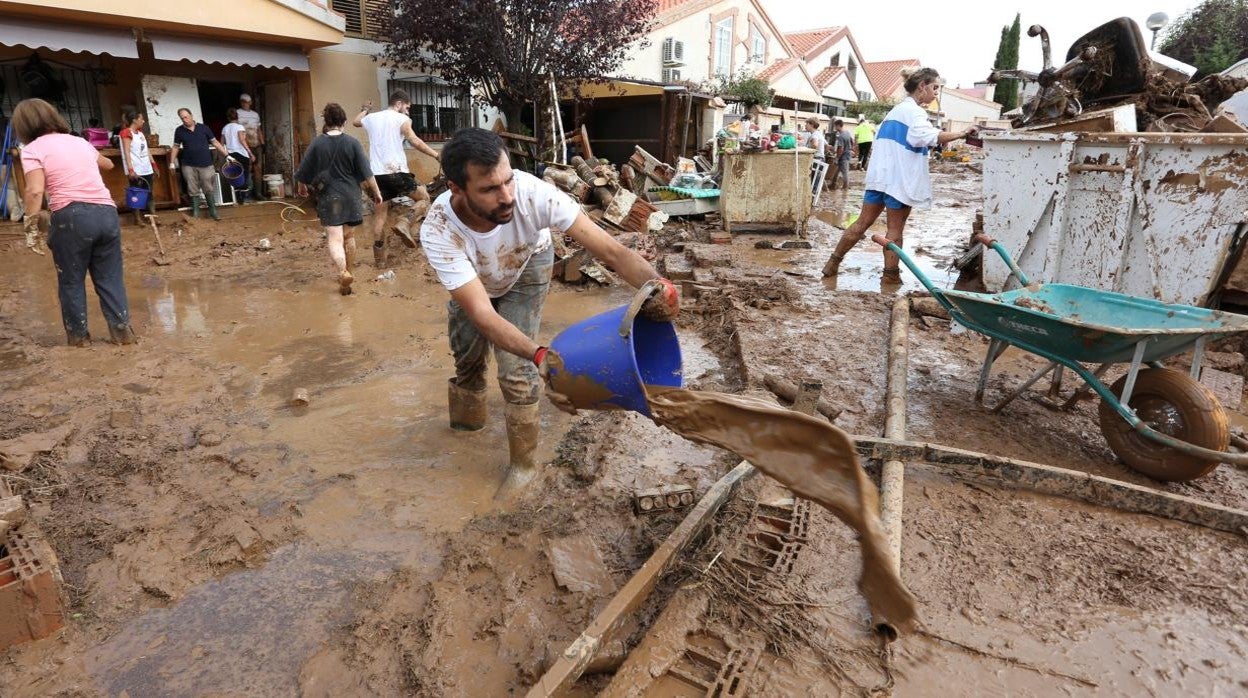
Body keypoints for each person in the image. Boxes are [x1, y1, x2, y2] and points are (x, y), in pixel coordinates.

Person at [419, 127, 680, 494]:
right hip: (475, 279)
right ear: (456, 188)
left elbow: (613, 252)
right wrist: (539, 351)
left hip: (527, 263)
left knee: (516, 372)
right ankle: (467, 428)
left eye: (508, 180)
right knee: (468, 359)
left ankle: (523, 467)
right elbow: (483, 315)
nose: (507, 196)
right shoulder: (439, 229)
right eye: (490, 189)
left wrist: (658, 286)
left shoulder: (535, 195)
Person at [821, 68, 976, 284]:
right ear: (922, 86)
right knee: (895, 230)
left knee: (861, 223)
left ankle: (832, 264)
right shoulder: (915, 113)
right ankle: (890, 277)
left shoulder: (894, 111)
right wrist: (962, 133)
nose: (935, 94)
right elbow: (928, 136)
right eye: (934, 88)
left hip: (879, 178)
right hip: (898, 180)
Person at [14, 98, 137, 346]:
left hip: (71, 218)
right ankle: (122, 334)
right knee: (110, 278)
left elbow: (35, 191)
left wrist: (30, 227)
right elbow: (109, 164)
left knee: (71, 281)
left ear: (24, 126)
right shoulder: (80, 142)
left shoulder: (33, 150)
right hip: (106, 213)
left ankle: (79, 339)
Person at [295, 103, 383, 296]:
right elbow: (367, 173)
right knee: (349, 236)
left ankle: (342, 272)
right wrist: (376, 192)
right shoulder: (352, 142)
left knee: (335, 239)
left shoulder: (318, 143)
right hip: (351, 195)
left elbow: (303, 171)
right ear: (344, 121)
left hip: (330, 197)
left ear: (326, 122)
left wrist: (301, 187)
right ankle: (349, 274)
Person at [353, 90, 439, 263]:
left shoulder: (372, 118)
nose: (407, 111)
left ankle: (380, 261)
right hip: (396, 171)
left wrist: (365, 109)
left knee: (380, 216)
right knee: (424, 198)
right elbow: (414, 141)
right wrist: (436, 155)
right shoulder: (403, 119)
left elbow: (355, 122)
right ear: (399, 104)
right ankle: (405, 222)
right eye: (406, 107)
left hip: (375, 176)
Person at [169, 108, 235, 220]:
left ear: (191, 115)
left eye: (186, 117)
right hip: (188, 164)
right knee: (192, 187)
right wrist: (171, 162)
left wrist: (226, 155)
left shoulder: (204, 128)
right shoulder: (179, 130)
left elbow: (215, 142)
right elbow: (175, 146)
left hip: (206, 163)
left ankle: (213, 211)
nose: (184, 120)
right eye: (182, 118)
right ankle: (196, 213)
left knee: (208, 187)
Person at [119, 109, 159, 224]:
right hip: (136, 170)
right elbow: (127, 153)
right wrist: (131, 170)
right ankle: (137, 218)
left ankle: (153, 217)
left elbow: (146, 150)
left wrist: (154, 165)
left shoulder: (140, 133)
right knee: (136, 194)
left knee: (150, 193)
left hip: (147, 168)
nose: (143, 121)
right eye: (141, 118)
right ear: (135, 120)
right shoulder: (126, 133)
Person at [220, 108, 255, 204]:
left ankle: (236, 199)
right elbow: (242, 140)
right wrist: (250, 153)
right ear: (237, 116)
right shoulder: (240, 127)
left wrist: (225, 154)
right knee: (245, 175)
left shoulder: (225, 128)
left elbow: (222, 143)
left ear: (228, 118)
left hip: (230, 155)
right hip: (241, 154)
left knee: (234, 176)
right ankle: (244, 199)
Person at [236, 93, 264, 200]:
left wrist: (262, 143)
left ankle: (258, 193)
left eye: (246, 101)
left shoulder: (255, 115)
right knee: (246, 169)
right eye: (242, 101)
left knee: (258, 169)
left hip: (256, 145)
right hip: (244, 145)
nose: (244, 103)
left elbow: (258, 130)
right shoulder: (238, 113)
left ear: (250, 102)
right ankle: (246, 195)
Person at [829, 119, 855, 191]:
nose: (835, 128)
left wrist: (837, 158)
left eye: (835, 126)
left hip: (843, 156)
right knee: (836, 170)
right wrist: (851, 149)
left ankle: (845, 187)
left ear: (838, 126)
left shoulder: (841, 136)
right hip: (847, 154)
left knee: (845, 172)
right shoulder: (847, 132)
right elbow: (852, 141)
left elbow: (841, 149)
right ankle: (833, 184)